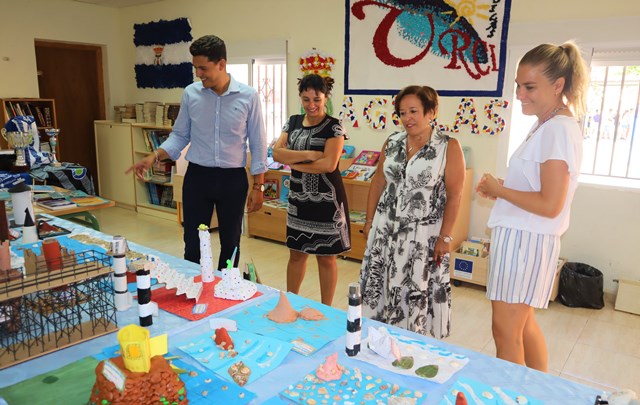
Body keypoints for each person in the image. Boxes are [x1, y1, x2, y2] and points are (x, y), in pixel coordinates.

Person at [476, 41, 589, 372]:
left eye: (529, 87)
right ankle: (540, 391)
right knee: (523, 326)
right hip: (526, 237)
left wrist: (502, 190)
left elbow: (551, 204)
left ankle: (513, 396)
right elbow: (539, 190)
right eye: (518, 86)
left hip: (525, 241)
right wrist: (504, 189)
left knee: (506, 331)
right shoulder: (547, 125)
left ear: (558, 86)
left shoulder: (558, 130)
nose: (520, 95)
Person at [127, 35, 267, 270]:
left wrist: (258, 186)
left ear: (221, 64)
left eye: (204, 68)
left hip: (232, 179)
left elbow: (258, 143)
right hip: (198, 178)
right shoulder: (191, 94)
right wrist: (155, 156)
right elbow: (180, 135)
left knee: (230, 243)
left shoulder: (248, 96)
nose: (198, 74)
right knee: (193, 242)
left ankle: (226, 291)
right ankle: (193, 290)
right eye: (196, 68)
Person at [358, 85, 465, 338]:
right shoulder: (392, 142)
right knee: (380, 283)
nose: (407, 118)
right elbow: (378, 182)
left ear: (432, 112)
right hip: (385, 229)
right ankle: (378, 338)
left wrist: (446, 237)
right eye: (402, 113)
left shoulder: (448, 147)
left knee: (414, 289)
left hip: (423, 236)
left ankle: (411, 342)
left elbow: (455, 195)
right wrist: (370, 220)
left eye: (414, 111)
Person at [272, 74, 351, 306]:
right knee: (296, 254)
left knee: (326, 258)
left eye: (317, 99)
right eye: (306, 99)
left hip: (328, 201)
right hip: (298, 199)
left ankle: (327, 308)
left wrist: (293, 162)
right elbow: (276, 153)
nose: (311, 105)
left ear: (325, 97)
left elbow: (329, 164)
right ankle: (291, 303)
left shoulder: (334, 126)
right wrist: (307, 156)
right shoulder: (293, 122)